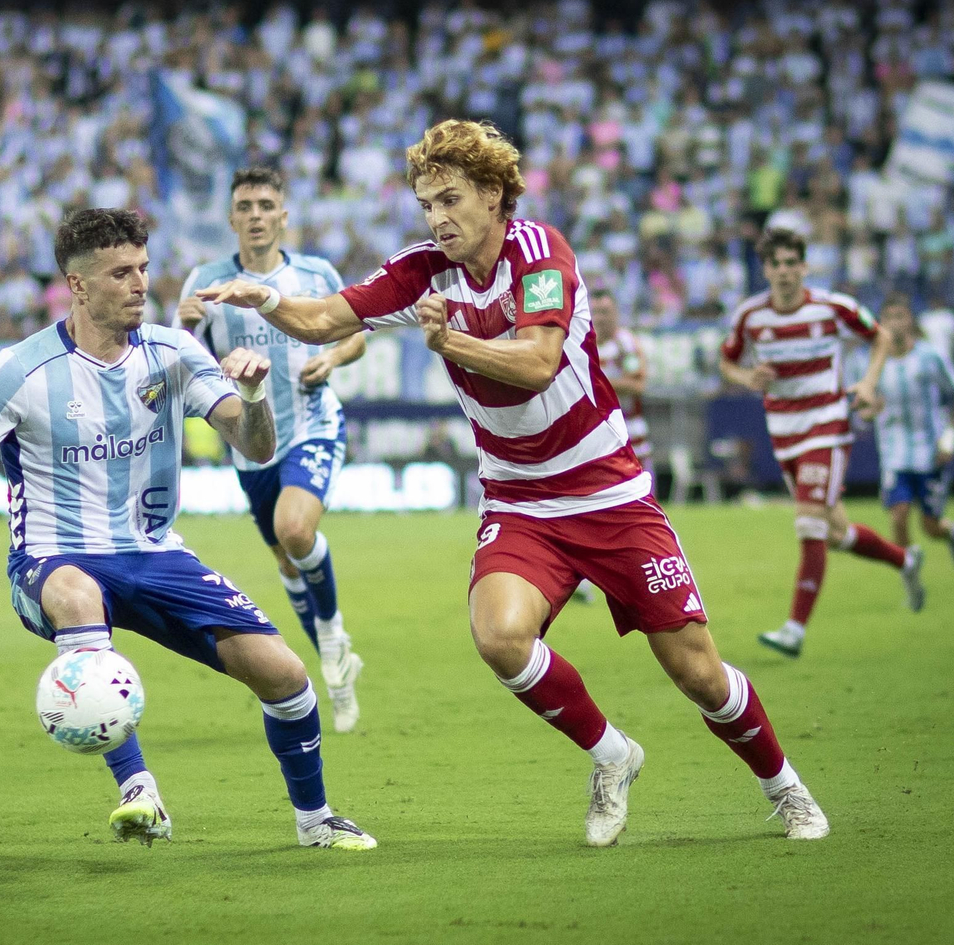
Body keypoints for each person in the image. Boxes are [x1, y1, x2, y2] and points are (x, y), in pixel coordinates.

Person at [199, 120, 828, 844]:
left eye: (451, 197)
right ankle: (611, 754)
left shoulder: (540, 251)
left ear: (494, 193)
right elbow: (323, 319)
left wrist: (448, 340)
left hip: (608, 493)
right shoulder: (419, 270)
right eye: (426, 201)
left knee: (699, 674)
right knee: (499, 636)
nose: (437, 216)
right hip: (521, 500)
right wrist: (266, 301)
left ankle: (785, 787)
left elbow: (535, 364)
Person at [0, 208, 375, 851]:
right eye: (120, 273)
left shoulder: (174, 352)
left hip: (152, 553)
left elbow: (256, 445)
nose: (139, 285)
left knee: (285, 674)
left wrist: (256, 396)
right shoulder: (20, 371)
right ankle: (137, 789)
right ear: (77, 285)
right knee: (78, 595)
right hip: (51, 560)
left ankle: (316, 822)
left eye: (143, 270)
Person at [178, 167, 369, 732]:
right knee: (287, 560)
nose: (256, 215)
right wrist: (181, 324)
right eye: (245, 206)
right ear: (232, 218)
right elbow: (184, 357)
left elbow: (355, 332)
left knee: (295, 530)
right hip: (251, 444)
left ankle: (332, 637)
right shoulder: (207, 281)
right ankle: (337, 669)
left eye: (266, 204)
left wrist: (331, 358)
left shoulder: (314, 273)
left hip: (311, 422)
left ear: (283, 214)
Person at [720, 229, 927, 660]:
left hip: (827, 426)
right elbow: (728, 361)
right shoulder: (751, 316)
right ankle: (906, 561)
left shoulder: (832, 307)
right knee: (834, 532)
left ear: (804, 266)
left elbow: (881, 337)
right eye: (775, 264)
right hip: (783, 432)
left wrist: (868, 384)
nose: (784, 272)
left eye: (791, 263)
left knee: (808, 525)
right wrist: (746, 378)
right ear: (766, 269)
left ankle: (794, 629)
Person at [874, 293, 954, 568]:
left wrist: (950, 438)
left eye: (900, 316)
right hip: (894, 452)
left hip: (929, 451)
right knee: (898, 515)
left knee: (930, 526)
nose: (894, 323)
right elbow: (867, 405)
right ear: (881, 322)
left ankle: (951, 533)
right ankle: (909, 570)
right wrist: (867, 411)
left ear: (910, 320)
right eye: (889, 317)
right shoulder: (874, 360)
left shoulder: (930, 356)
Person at [589, 289, 651, 471]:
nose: (600, 318)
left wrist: (596, 382)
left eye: (605, 312)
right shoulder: (583, 344)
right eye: (596, 312)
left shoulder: (626, 344)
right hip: (595, 431)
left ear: (616, 312)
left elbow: (638, 385)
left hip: (629, 428)